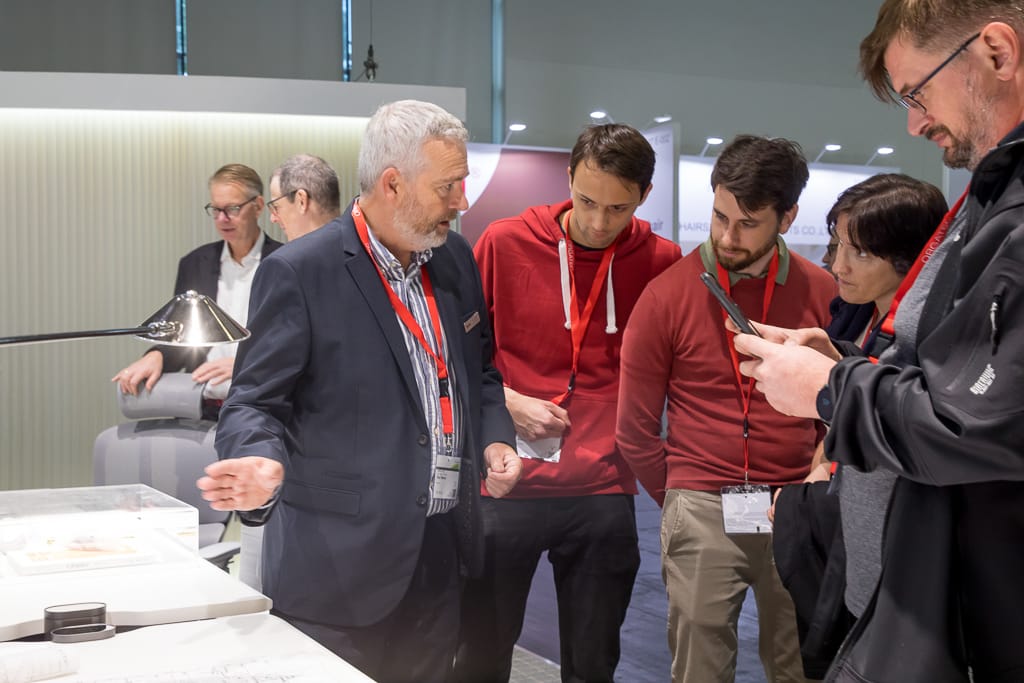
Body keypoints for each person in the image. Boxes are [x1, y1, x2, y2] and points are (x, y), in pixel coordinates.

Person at [734, 2, 1024, 680]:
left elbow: (969, 422)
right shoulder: (991, 194)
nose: (916, 122)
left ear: (998, 53)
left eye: (918, 93)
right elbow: (961, 381)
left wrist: (830, 390)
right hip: (924, 596)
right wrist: (849, 368)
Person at [196, 99, 522, 683]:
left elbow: (479, 373)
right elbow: (252, 402)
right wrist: (258, 457)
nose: (463, 200)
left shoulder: (454, 258)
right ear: (393, 183)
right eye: (449, 185)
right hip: (338, 571)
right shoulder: (303, 271)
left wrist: (496, 437)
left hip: (440, 552)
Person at [454, 124, 681, 682]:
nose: (600, 223)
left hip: (602, 489)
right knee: (480, 655)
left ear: (644, 197)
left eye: (618, 208)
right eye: (587, 201)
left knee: (593, 664)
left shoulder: (661, 261)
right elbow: (458, 357)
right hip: (507, 480)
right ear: (569, 179)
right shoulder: (504, 243)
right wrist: (508, 403)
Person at [616, 134, 835, 683]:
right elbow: (635, 428)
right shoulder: (668, 293)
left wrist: (817, 479)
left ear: (787, 218)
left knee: (801, 663)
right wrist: (683, 497)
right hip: (703, 503)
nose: (727, 237)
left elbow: (845, 401)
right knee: (700, 669)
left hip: (796, 502)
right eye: (718, 217)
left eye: (747, 223)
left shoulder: (823, 292)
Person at [769, 173, 946, 679]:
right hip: (859, 564)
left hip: (909, 595)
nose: (838, 265)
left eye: (860, 253)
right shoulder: (865, 327)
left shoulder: (929, 346)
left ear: (909, 259)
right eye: (837, 246)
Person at [112, 164, 282, 413]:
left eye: (232, 209)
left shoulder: (283, 262)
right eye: (216, 209)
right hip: (201, 404)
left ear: (257, 206)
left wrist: (246, 364)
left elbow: (292, 344)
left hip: (263, 403)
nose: (222, 219)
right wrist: (156, 356)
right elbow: (182, 339)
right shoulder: (195, 264)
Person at [267, 153, 341, 241]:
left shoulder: (287, 254)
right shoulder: (358, 247)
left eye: (276, 207)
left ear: (301, 201)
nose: (273, 219)